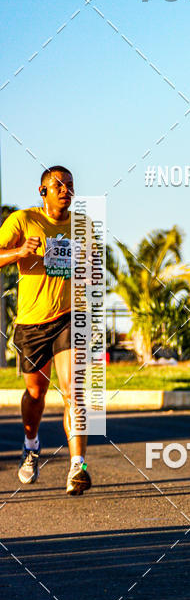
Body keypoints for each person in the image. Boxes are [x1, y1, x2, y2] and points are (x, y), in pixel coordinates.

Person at [0, 166, 91, 495]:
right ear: (43, 192)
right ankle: (31, 445)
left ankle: (77, 466)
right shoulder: (23, 220)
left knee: (73, 391)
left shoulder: (83, 226)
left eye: (70, 185)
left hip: (68, 318)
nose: (66, 190)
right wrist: (20, 252)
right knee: (36, 395)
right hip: (31, 322)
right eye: (58, 185)